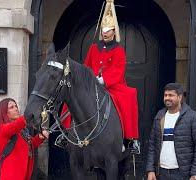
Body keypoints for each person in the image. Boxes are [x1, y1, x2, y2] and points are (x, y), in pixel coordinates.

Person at [60, 0, 140, 154]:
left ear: (114, 31)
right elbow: (86, 66)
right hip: (91, 83)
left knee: (129, 95)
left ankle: (129, 139)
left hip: (112, 85)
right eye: (103, 29)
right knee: (71, 94)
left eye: (108, 29)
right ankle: (65, 133)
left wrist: (104, 80)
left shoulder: (119, 50)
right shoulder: (93, 48)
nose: (105, 32)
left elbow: (118, 70)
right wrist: (88, 79)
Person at [146, 83, 196, 180]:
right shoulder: (160, 116)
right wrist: (150, 170)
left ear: (180, 97)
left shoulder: (192, 117)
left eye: (171, 95)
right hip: (161, 173)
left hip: (182, 174)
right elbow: (152, 145)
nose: (167, 98)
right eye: (165, 95)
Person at [0, 98, 49, 180]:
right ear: (3, 112)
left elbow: (30, 144)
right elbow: (16, 125)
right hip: (9, 176)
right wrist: (28, 114)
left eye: (16, 106)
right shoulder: (3, 129)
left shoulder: (21, 131)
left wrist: (40, 137)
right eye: (11, 107)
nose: (16, 109)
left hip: (23, 175)